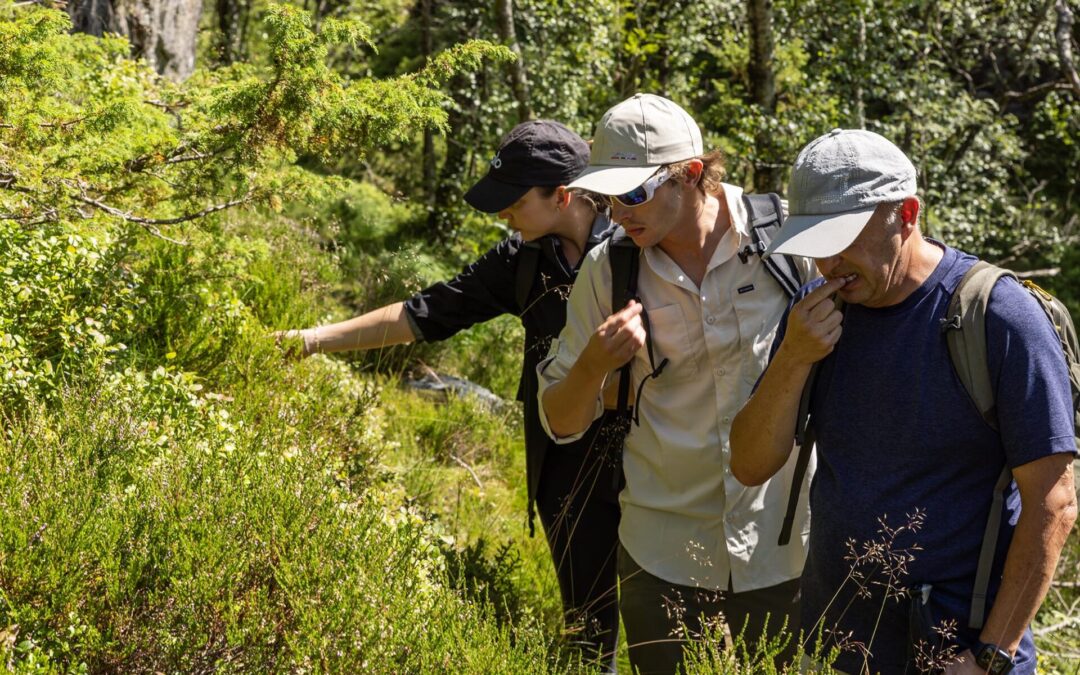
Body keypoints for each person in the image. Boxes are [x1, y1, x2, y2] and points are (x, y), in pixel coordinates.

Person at [278, 120, 624, 669]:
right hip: (566, 467)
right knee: (588, 633)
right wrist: (312, 340)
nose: (502, 216)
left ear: (561, 195)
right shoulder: (523, 260)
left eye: (512, 203)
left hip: (653, 459)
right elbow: (425, 314)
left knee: (674, 629)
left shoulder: (638, 246)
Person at [730, 128, 1078, 675]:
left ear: (907, 213)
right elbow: (749, 465)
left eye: (842, 238)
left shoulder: (998, 316)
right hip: (839, 643)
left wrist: (990, 655)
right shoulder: (814, 315)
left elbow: (1054, 502)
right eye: (814, 242)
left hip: (960, 652)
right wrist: (794, 358)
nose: (828, 262)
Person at [536, 93, 817, 674]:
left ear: (691, 174)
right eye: (607, 194)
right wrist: (592, 364)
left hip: (787, 551)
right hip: (662, 560)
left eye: (633, 192)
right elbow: (559, 423)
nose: (617, 211)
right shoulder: (607, 269)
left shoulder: (786, 239)